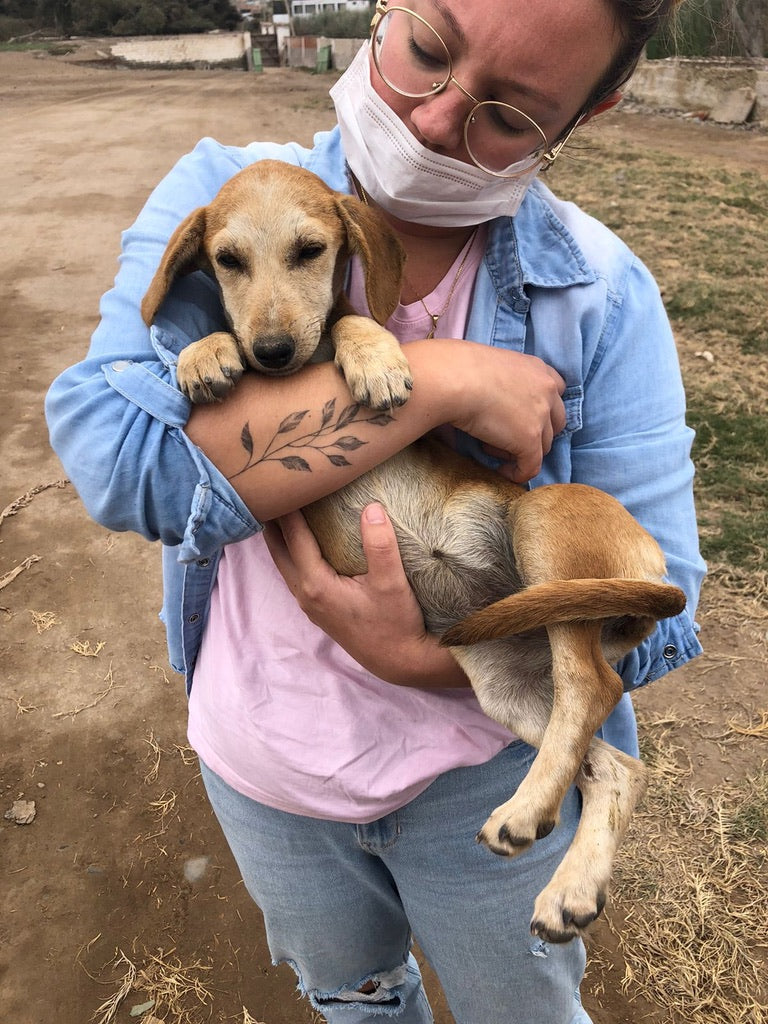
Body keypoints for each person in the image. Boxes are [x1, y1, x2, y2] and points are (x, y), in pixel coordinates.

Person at [46, 1, 705, 1020]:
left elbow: (663, 612)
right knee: (351, 996)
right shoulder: (225, 194)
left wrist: (433, 660)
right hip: (266, 766)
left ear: (594, 108)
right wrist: (441, 380)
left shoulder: (605, 296)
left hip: (484, 772)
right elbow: (122, 465)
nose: (439, 121)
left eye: (513, 115)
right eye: (428, 51)